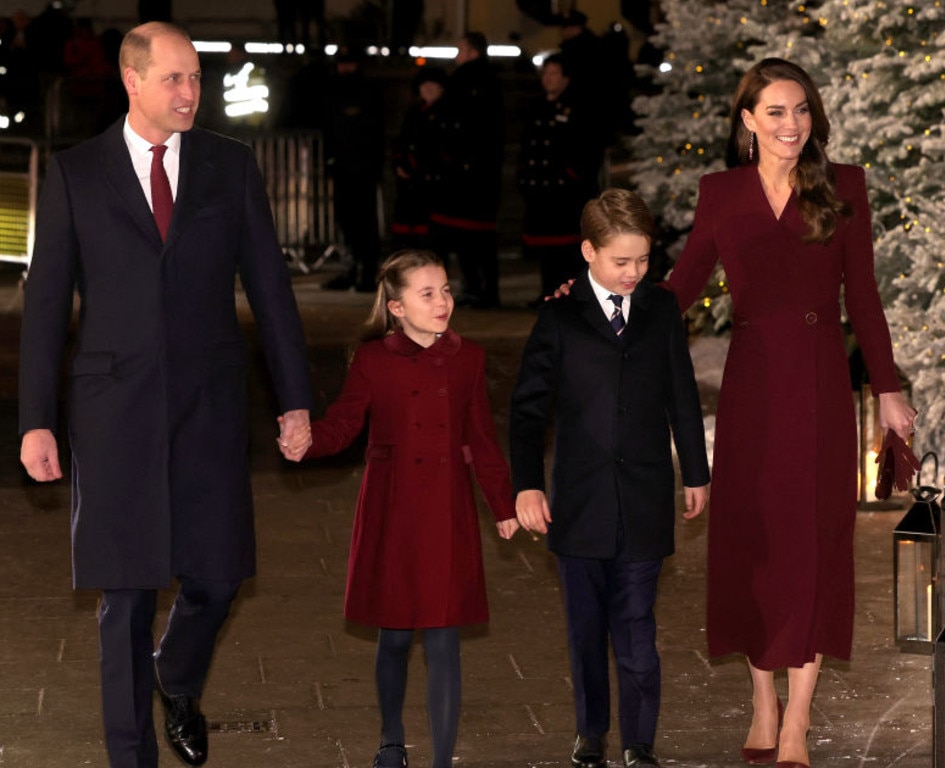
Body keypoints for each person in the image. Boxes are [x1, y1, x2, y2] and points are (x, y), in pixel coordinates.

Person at [18, 21, 313, 768]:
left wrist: (296, 398)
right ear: (132, 80)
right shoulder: (75, 173)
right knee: (124, 595)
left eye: (196, 79)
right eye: (174, 79)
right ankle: (131, 756)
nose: (191, 93)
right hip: (112, 410)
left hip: (210, 405)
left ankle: (175, 674)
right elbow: (47, 307)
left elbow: (271, 292)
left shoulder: (230, 165)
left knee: (216, 577)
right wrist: (35, 422)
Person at [666, 58, 916, 768]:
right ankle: (762, 700)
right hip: (750, 389)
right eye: (775, 112)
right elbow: (680, 288)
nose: (791, 125)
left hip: (817, 387)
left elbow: (862, 295)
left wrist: (889, 386)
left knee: (812, 545)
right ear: (747, 120)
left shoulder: (844, 188)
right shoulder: (721, 193)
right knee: (752, 543)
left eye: (801, 110)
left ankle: (799, 719)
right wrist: (603, 304)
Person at [280, 249, 519, 768]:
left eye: (446, 290)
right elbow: (344, 425)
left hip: (447, 510)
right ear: (396, 307)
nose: (442, 302)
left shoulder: (468, 359)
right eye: (427, 293)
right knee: (393, 636)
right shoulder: (373, 361)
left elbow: (481, 438)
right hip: (393, 510)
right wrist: (308, 441)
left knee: (443, 639)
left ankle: (442, 760)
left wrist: (502, 502)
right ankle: (391, 737)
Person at [509, 189, 711, 768]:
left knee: (636, 627)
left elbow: (681, 395)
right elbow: (527, 411)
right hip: (578, 502)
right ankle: (591, 731)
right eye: (621, 261)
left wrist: (694, 472)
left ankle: (639, 741)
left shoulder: (662, 310)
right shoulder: (558, 316)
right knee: (586, 628)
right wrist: (527, 483)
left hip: (645, 496)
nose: (633, 273)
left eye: (643, 261)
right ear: (588, 252)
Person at [517, 53, 602, 303]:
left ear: (566, 78)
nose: (548, 79)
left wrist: (571, 175)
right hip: (541, 189)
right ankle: (547, 290)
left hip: (566, 191)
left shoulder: (579, 107)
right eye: (546, 74)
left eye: (554, 73)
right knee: (545, 247)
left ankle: (569, 292)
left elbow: (586, 149)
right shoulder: (537, 106)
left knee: (567, 249)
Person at [430, 31, 505, 309]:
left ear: (472, 51)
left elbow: (461, 126)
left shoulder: (467, 82)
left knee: (470, 238)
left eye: (460, 49)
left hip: (466, 174)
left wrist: (452, 157)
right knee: (475, 238)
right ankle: (481, 288)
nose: (456, 55)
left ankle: (478, 287)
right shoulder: (487, 81)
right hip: (478, 173)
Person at [321, 47, 387, 292]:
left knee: (364, 222)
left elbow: (374, 131)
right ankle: (351, 269)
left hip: (362, 168)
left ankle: (366, 272)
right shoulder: (334, 91)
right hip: (344, 166)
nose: (344, 68)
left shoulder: (366, 92)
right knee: (346, 220)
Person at [390, 66, 446, 251]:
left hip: (431, 186)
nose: (428, 87)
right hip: (409, 186)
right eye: (424, 84)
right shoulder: (414, 113)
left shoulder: (445, 114)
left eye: (433, 84)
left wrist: (415, 165)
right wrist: (400, 163)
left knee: (430, 242)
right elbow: (402, 141)